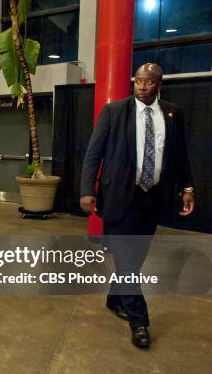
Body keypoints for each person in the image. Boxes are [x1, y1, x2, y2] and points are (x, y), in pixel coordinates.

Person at [80, 63, 195, 349]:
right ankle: (139, 321)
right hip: (120, 197)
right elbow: (94, 153)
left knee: (136, 257)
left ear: (160, 85)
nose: (142, 86)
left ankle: (114, 298)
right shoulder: (115, 112)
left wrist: (187, 188)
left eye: (149, 82)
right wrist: (86, 191)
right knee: (128, 262)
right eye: (138, 81)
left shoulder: (172, 114)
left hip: (153, 198)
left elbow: (180, 155)